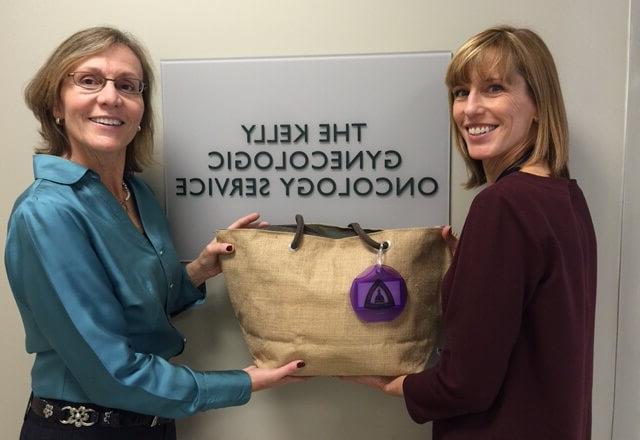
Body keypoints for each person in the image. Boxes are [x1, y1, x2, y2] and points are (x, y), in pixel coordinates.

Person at [5, 26, 304, 440]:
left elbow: (139, 311)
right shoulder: (48, 213)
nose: (110, 97)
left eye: (128, 85)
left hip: (153, 425)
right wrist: (245, 381)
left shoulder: (137, 194)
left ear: (141, 108)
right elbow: (112, 373)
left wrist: (198, 270)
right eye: (89, 80)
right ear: (56, 102)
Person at [348, 26, 597, 439]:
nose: (469, 109)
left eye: (494, 88)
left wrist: (399, 385)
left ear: (538, 103)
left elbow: (465, 384)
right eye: (461, 92)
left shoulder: (502, 206)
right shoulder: (565, 197)